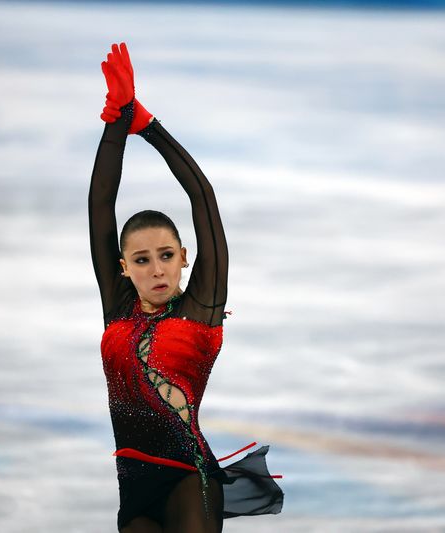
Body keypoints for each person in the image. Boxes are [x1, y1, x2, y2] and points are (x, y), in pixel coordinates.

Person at [88, 42, 284, 533]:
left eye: (166, 256)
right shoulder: (119, 306)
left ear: (184, 260)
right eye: (142, 260)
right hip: (132, 485)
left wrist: (145, 126)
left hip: (187, 481)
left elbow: (203, 197)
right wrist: (115, 122)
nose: (156, 270)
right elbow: (99, 208)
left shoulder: (201, 309)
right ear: (123, 267)